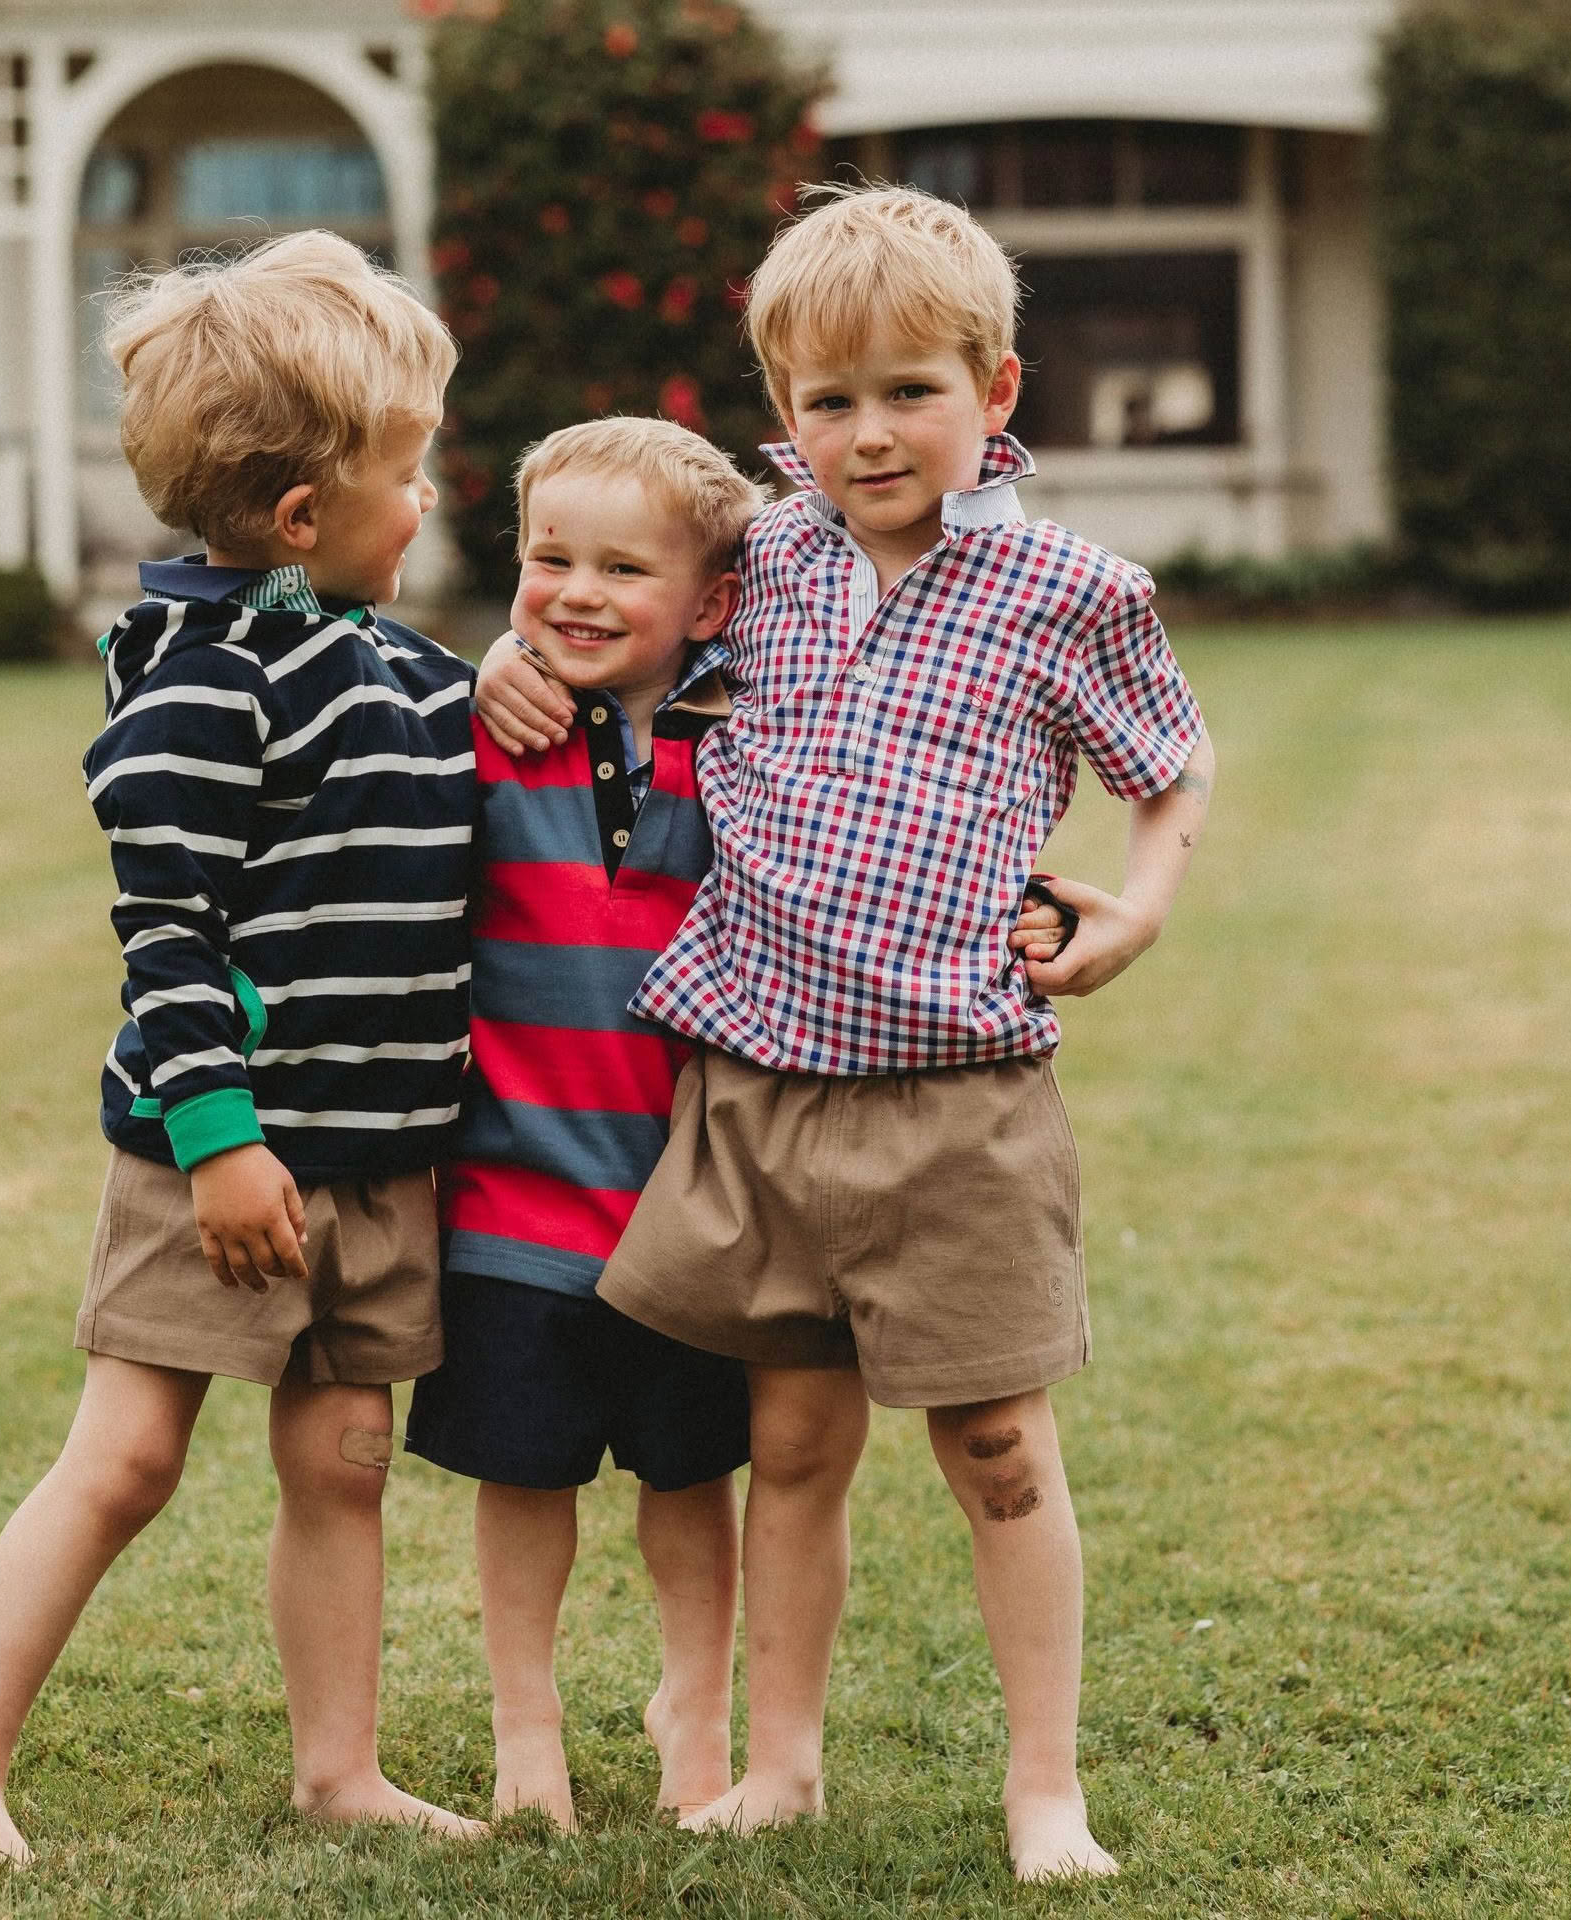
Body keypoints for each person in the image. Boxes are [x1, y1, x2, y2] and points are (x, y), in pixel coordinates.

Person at [477, 185, 1214, 1882]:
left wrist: (1137, 901)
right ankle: (781, 1765)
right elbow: (611, 611)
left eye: (910, 391)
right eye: (828, 401)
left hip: (959, 1104)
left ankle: (1047, 1789)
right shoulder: (765, 559)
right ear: (782, 415)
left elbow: (1168, 769)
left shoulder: (1070, 591)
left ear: (998, 391)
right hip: (755, 1085)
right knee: (791, 1442)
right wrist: (502, 669)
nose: (869, 434)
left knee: (1000, 1449)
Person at [0, 230, 480, 1870]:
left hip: (375, 1153)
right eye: (411, 472)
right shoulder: (198, 691)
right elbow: (169, 938)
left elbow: (429, 713)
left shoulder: (371, 652)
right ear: (305, 518)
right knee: (131, 1456)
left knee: (344, 1462)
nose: (428, 499)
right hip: (212, 1159)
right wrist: (221, 1137)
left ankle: (340, 1768)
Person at [402, 417, 761, 1830]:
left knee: (690, 1481)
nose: (579, 592)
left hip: (691, 1207)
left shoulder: (751, 735)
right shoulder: (480, 727)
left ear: (710, 600)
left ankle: (699, 1727)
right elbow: (290, 595)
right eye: (550, 558)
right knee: (523, 1474)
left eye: (625, 566)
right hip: (509, 1199)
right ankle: (526, 1736)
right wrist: (484, 664)